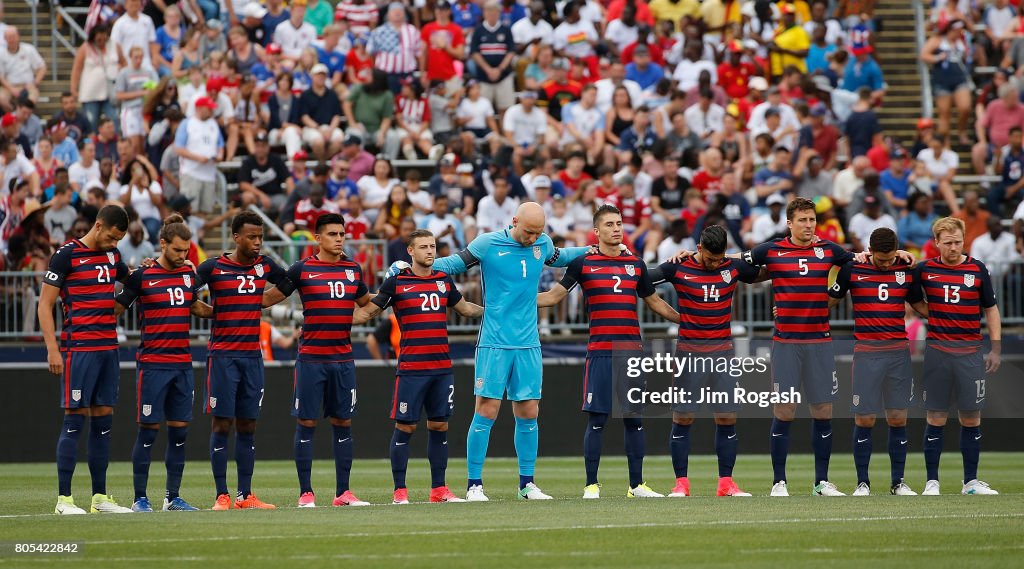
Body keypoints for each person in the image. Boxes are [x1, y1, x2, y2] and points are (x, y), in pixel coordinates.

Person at [388, 201, 590, 500]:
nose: (533, 238)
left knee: (529, 411)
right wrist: (410, 268)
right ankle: (474, 485)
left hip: (528, 342)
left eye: (538, 233)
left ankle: (526, 484)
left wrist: (597, 249)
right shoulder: (487, 244)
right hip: (494, 341)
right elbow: (453, 263)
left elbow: (564, 257)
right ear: (514, 221)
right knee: (487, 409)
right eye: (529, 232)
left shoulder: (543, 244)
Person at [537, 205, 679, 498]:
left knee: (634, 419)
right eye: (610, 224)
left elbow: (655, 302)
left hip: (632, 353)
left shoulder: (636, 265)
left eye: (619, 223)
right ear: (597, 231)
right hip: (601, 351)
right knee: (597, 419)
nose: (617, 228)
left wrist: (687, 319)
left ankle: (636, 485)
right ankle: (591, 484)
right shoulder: (583, 263)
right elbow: (554, 296)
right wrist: (514, 300)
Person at [352, 229, 484, 504]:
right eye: (423, 247)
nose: (430, 251)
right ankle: (400, 491)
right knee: (405, 427)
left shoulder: (442, 279)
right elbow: (368, 312)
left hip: (441, 368)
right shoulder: (396, 283)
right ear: (410, 251)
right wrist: (332, 316)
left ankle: (439, 489)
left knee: (439, 426)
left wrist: (496, 310)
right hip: (412, 368)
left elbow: (466, 309)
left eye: (432, 246)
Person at [742, 197, 857, 496]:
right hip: (786, 344)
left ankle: (821, 482)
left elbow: (860, 261)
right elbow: (734, 261)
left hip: (819, 343)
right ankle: (779, 482)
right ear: (790, 223)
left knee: (823, 411)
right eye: (802, 220)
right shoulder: (772, 250)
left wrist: (894, 252)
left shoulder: (828, 250)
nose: (808, 225)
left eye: (811, 220)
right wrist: (698, 254)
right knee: (785, 411)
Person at [260, 213, 374, 507]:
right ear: (318, 237)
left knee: (343, 421)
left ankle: (343, 493)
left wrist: (395, 292)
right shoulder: (302, 269)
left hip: (343, 359)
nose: (339, 239)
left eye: (342, 234)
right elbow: (268, 299)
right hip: (311, 358)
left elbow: (367, 306)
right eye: (333, 234)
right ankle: (306, 493)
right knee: (307, 422)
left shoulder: (352, 269)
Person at [654, 225, 763, 498]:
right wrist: (674, 316)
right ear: (699, 249)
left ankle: (726, 483)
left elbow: (769, 267)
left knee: (727, 418)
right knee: (683, 418)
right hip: (689, 353)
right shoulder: (678, 267)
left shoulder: (732, 266)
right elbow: (644, 281)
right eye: (710, 258)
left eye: (719, 258)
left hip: (723, 354)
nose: (715, 264)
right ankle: (681, 484)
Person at [114, 215, 213, 512]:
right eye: (178, 250)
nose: (183, 256)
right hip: (153, 364)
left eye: (186, 251)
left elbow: (196, 306)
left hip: (182, 364)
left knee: (180, 431)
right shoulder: (142, 276)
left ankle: (172, 497)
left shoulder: (187, 276)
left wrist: (229, 311)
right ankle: (139, 498)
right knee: (148, 431)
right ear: (163, 244)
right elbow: (116, 309)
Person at [39, 204, 133, 515]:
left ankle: (99, 498)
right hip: (79, 348)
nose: (115, 243)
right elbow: (45, 305)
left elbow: (130, 281)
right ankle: (64, 500)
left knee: (103, 422)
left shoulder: (112, 256)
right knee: (74, 420)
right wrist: (53, 348)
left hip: (109, 348)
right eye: (112, 237)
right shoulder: (66, 254)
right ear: (98, 226)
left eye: (119, 239)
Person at [195, 211, 288, 510]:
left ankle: (245, 495)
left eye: (260, 237)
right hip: (222, 356)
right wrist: (208, 311)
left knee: (248, 425)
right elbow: (182, 292)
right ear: (236, 237)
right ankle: (221, 495)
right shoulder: (213, 267)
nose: (258, 242)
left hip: (252, 357)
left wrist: (265, 300)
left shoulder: (264, 266)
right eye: (252, 237)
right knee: (222, 424)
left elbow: (288, 281)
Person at [908, 217, 1002, 496]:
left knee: (971, 417)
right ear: (936, 243)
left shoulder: (977, 269)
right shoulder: (925, 269)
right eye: (948, 243)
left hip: (970, 352)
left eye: (958, 242)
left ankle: (970, 482)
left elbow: (991, 309)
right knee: (935, 416)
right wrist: (932, 314)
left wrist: (995, 348)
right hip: (938, 351)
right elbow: (913, 299)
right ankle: (932, 482)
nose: (953, 247)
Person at [827, 227, 919, 496]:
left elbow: (920, 306)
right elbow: (828, 301)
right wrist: (792, 308)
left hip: (898, 353)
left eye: (891, 258)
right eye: (881, 259)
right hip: (867, 354)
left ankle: (898, 482)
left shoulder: (905, 267)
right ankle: (862, 483)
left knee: (898, 419)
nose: (887, 263)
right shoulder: (852, 269)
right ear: (869, 251)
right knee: (864, 419)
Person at [174, 96, 225, 216]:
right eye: (209, 108)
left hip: (209, 174)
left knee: (205, 210)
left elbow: (220, 144)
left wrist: (220, 155)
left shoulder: (214, 124)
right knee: (189, 209)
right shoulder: (187, 123)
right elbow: (179, 148)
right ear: (200, 108)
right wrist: (198, 158)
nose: (212, 111)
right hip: (192, 172)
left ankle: (200, 234)